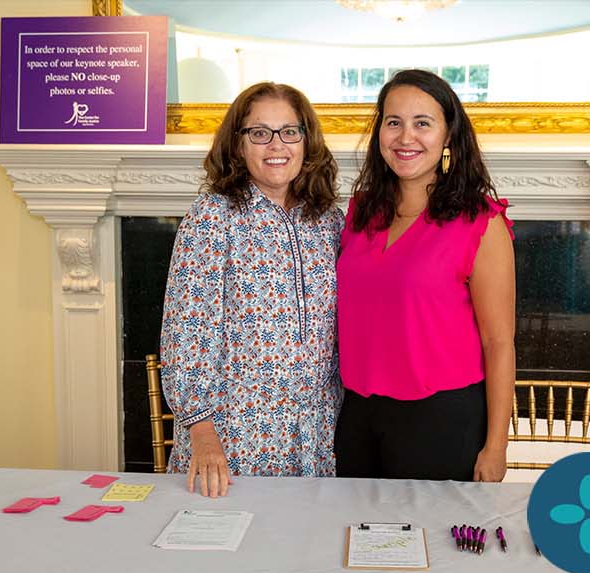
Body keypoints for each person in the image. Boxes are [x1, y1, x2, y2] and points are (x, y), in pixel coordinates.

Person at [159, 82, 343, 497]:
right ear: (239, 145)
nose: (276, 144)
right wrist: (202, 432)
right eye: (259, 133)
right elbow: (185, 331)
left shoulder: (328, 220)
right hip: (233, 433)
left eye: (289, 131)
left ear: (306, 140)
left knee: (304, 548)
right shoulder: (213, 216)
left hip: (314, 434)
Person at [337, 69, 515, 483]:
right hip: (356, 416)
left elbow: (499, 342)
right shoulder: (359, 213)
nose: (405, 137)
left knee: (431, 544)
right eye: (393, 122)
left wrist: (496, 446)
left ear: (449, 134)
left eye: (422, 123)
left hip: (442, 420)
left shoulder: (480, 222)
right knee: (355, 540)